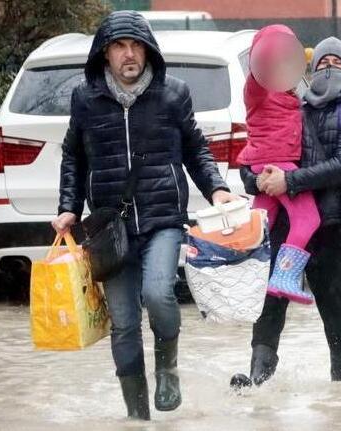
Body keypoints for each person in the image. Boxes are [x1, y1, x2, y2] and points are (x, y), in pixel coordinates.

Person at [52, 11, 238, 421]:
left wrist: (217, 188)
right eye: (120, 46)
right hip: (108, 227)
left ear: (148, 50)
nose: (129, 54)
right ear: (105, 54)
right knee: (122, 322)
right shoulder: (86, 98)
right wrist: (68, 207)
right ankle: (138, 418)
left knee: (158, 293)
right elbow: (73, 155)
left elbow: (195, 148)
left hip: (162, 219)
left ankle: (168, 367)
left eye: (136, 45)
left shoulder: (173, 94)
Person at [231, 36, 341, 388]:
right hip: (285, 226)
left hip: (330, 227)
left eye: (336, 63)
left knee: (336, 308)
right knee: (270, 303)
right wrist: (257, 178)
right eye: (323, 62)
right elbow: (260, 151)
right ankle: (256, 381)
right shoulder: (291, 106)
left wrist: (290, 182)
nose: (328, 68)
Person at [237, 25, 319, 305]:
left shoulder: (288, 90)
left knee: (260, 223)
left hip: (266, 164)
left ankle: (244, 273)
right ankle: (284, 276)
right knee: (308, 218)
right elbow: (256, 79)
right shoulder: (258, 86)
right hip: (275, 163)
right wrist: (270, 52)